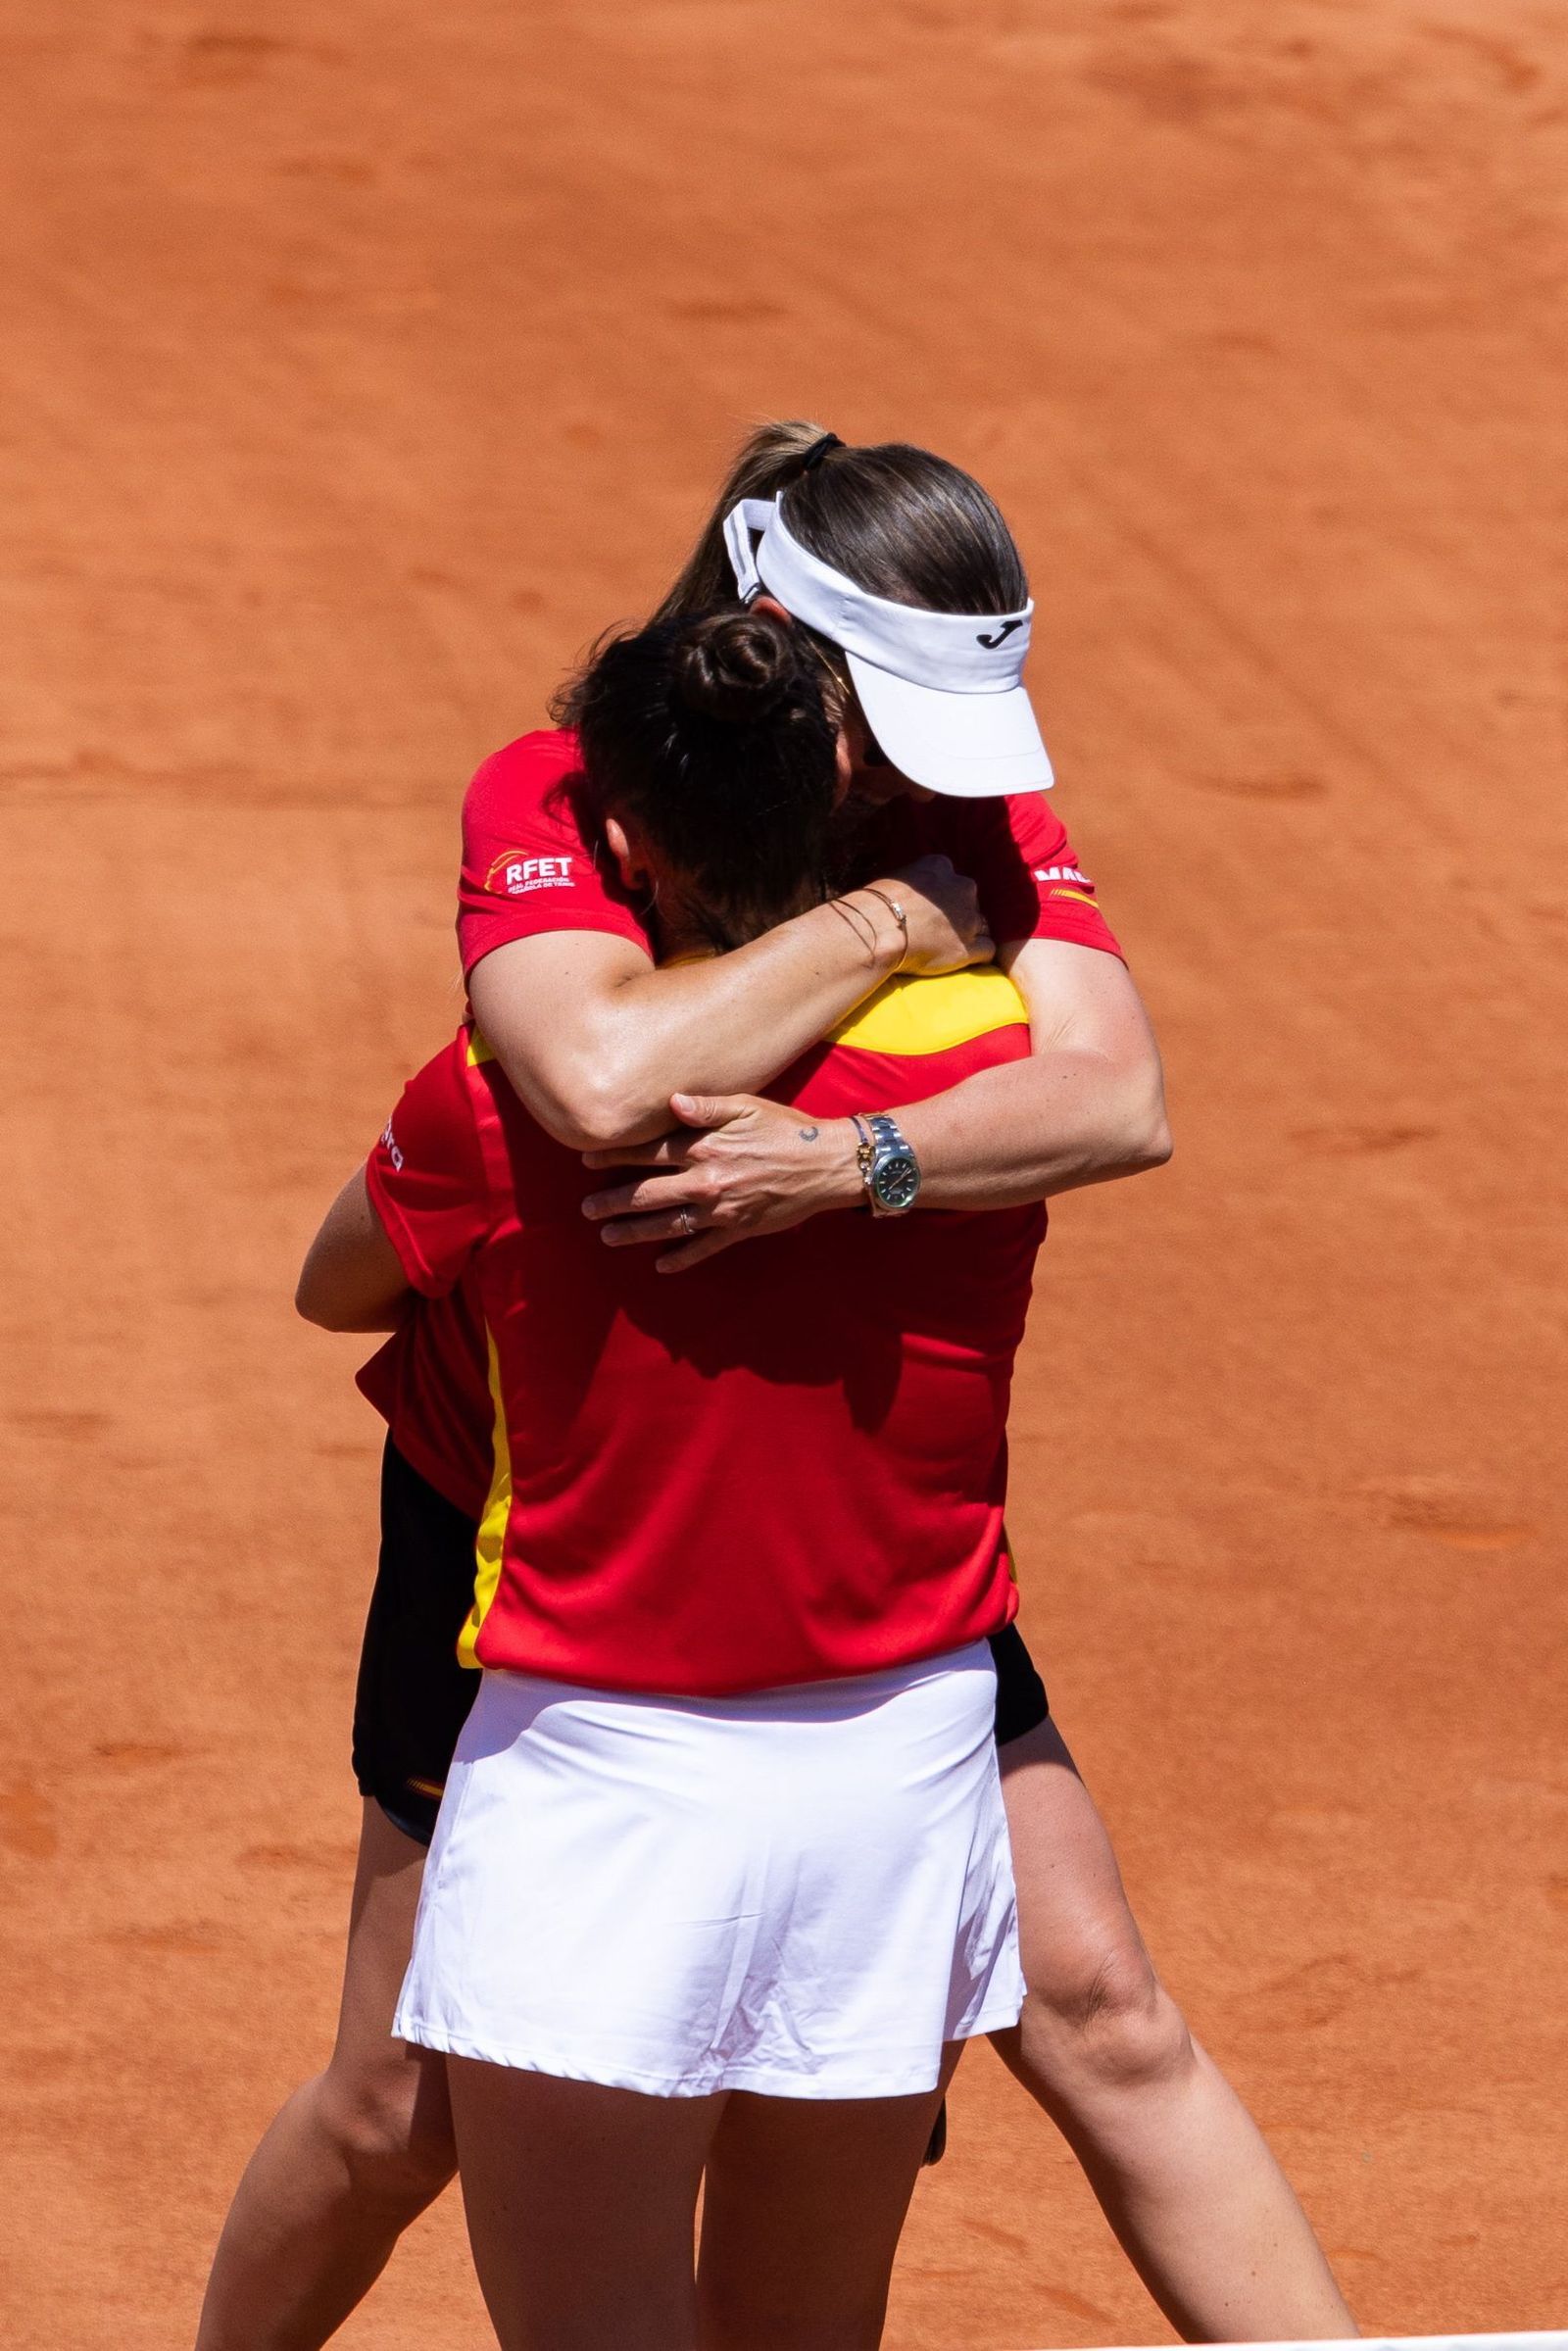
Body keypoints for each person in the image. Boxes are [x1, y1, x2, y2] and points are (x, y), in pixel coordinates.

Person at [196, 420, 1352, 2347]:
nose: (936, 780)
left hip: (839, 1563)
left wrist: (849, 1164)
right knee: (401, 2112)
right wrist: (888, 923)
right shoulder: (555, 791)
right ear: (776, 651)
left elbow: (1117, 1095)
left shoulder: (968, 803)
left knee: (1096, 2010)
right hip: (531, 1530)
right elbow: (584, 1083)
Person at [297, 606, 1048, 2349]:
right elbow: (1117, 1089)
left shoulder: (499, 1100)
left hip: (595, 1791)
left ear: (626, 843)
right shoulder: (988, 1061)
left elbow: (338, 1281)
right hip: (895, 1784)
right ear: (849, 798)